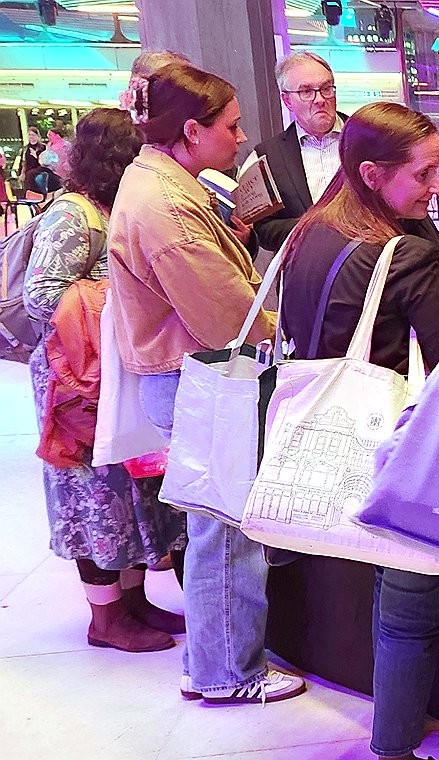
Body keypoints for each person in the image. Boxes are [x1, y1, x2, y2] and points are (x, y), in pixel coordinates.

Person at [106, 62, 304, 704]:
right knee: (226, 528)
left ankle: (215, 661)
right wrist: (289, 320)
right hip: (205, 378)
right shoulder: (168, 206)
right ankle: (227, 672)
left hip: (196, 377)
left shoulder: (164, 184)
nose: (241, 139)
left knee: (216, 524)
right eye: (232, 126)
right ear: (191, 131)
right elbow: (228, 320)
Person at [279, 102, 439, 760]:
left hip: (315, 428)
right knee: (409, 598)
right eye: (425, 174)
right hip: (378, 440)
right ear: (374, 173)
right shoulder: (404, 253)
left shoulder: (312, 228)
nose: (435, 188)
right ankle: (395, 745)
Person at [23, 107, 186, 653]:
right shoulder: (73, 217)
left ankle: (134, 601)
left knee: (133, 486)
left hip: (113, 372)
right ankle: (105, 617)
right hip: (79, 382)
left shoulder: (112, 206)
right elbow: (40, 294)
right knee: (92, 491)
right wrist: (116, 300)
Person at [243, 51, 344, 252]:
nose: (320, 99)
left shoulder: (367, 139)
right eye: (306, 91)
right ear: (287, 100)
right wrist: (317, 228)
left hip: (372, 269)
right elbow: (264, 229)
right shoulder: (267, 157)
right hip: (305, 274)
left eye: (326, 88)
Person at [18, 126, 46, 194]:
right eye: (29, 135)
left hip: (39, 172)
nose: (31, 137)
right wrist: (21, 173)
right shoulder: (25, 148)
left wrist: (36, 155)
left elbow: (45, 161)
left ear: (37, 136)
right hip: (27, 172)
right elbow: (23, 162)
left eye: (33, 135)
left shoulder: (42, 147)